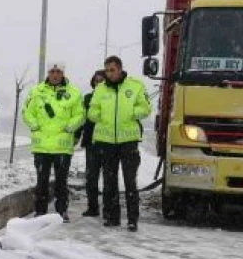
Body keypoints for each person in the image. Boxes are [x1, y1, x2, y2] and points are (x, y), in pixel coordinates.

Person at [88, 55, 152, 231]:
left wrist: (132, 112)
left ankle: (132, 219)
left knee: (130, 181)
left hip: (128, 142)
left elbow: (146, 108)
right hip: (107, 142)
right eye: (107, 70)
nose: (109, 74)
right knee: (109, 182)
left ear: (120, 69)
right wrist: (96, 115)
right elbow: (92, 109)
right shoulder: (100, 89)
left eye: (112, 70)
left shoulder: (135, 86)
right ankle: (111, 217)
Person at [23, 62, 84, 222]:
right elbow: (27, 112)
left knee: (61, 182)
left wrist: (70, 128)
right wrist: (34, 125)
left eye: (58, 71)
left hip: (62, 146)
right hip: (41, 145)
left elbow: (80, 114)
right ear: (48, 73)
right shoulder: (36, 91)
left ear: (63, 73)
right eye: (52, 71)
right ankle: (40, 211)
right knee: (41, 181)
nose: (55, 74)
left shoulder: (74, 93)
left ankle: (61, 211)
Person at [74, 69, 106, 217]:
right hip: (91, 143)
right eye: (96, 80)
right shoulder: (87, 98)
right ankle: (92, 207)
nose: (98, 83)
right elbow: (81, 119)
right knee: (91, 177)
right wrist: (76, 136)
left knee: (108, 177)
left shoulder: (111, 97)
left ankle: (109, 208)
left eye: (102, 80)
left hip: (108, 143)